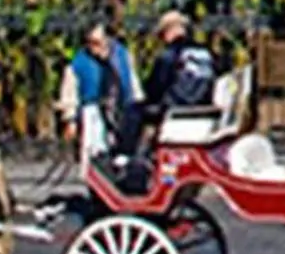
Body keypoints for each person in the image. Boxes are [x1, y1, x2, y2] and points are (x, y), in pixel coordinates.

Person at [59, 20, 140, 174]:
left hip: (122, 109)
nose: (94, 47)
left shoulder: (122, 56)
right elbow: (70, 92)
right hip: (93, 111)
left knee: (123, 153)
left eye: (97, 42)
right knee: (95, 152)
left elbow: (133, 82)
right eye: (90, 43)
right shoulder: (79, 63)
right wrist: (70, 119)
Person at [133, 11, 218, 152]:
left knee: (134, 111)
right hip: (204, 108)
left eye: (162, 34)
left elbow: (156, 87)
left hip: (176, 107)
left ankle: (124, 157)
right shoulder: (207, 53)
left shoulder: (170, 54)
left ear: (169, 31)